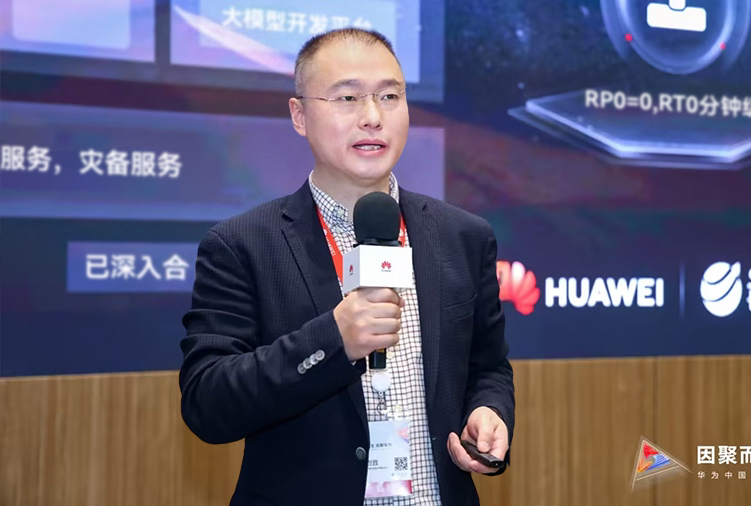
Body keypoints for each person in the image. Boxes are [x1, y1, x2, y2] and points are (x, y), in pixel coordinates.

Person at [179, 27, 515, 505]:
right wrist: (333, 340)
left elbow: (489, 366)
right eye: (348, 98)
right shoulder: (241, 245)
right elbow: (208, 403)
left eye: (389, 96)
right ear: (299, 115)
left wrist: (489, 410)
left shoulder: (464, 236)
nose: (373, 117)